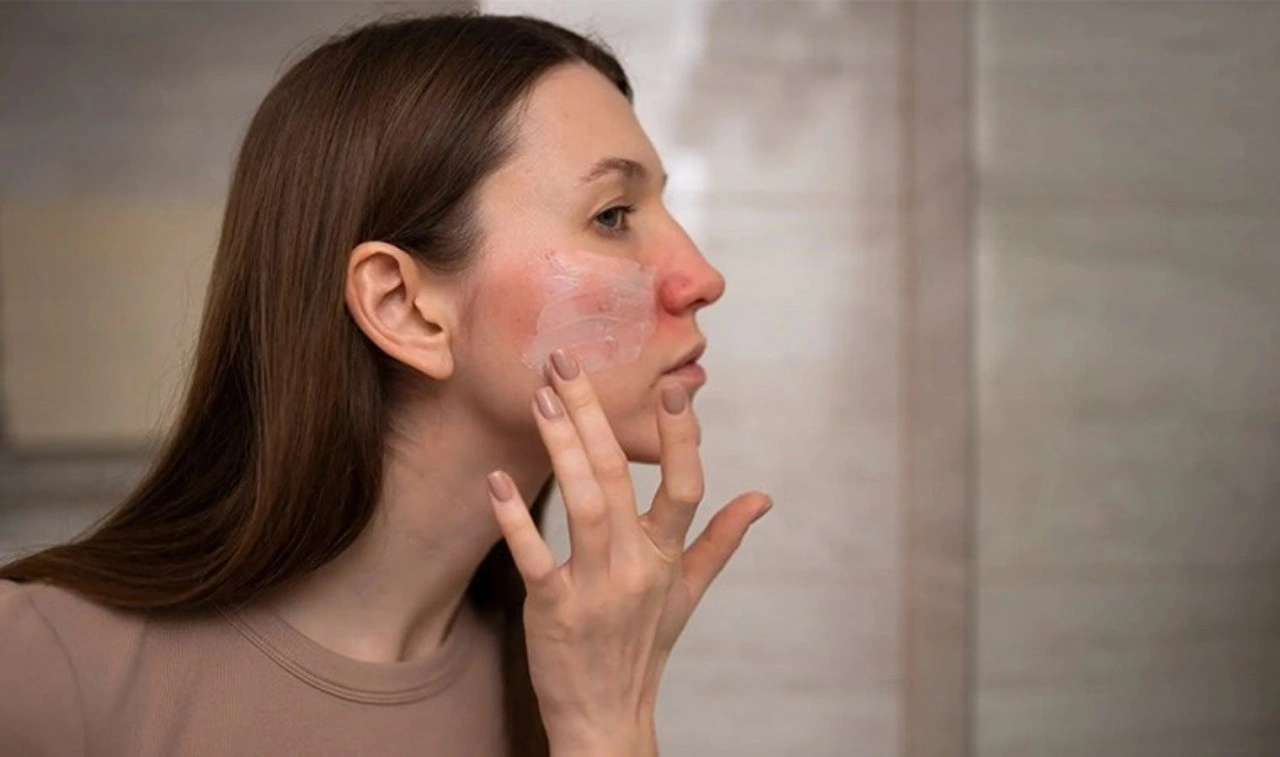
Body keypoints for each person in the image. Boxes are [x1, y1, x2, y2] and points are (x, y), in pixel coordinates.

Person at [0, 12, 772, 757]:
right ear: (403, 306)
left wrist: (607, 728)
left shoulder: (565, 674)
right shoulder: (42, 667)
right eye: (612, 215)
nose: (702, 277)